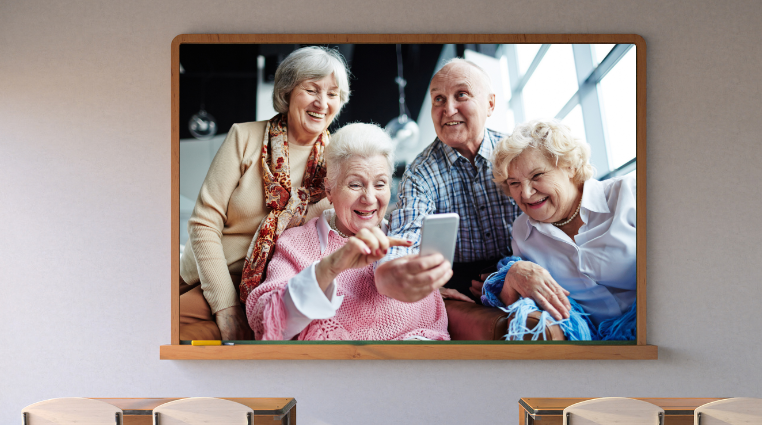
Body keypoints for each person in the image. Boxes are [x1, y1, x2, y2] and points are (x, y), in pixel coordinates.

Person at [178, 46, 350, 340]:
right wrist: (226, 305)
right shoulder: (244, 137)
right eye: (311, 90)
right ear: (287, 91)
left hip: (275, 286)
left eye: (332, 94)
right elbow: (204, 223)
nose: (322, 103)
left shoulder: (338, 160)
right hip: (210, 274)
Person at [245, 123, 450, 341]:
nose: (369, 198)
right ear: (329, 190)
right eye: (355, 185)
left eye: (380, 184)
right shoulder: (296, 243)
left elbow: (434, 329)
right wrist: (331, 266)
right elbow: (266, 323)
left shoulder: (406, 243)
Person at [376, 58, 521, 303]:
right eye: (438, 99)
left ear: (490, 104)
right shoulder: (419, 173)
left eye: (461, 95)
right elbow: (406, 238)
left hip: (522, 266)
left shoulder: (518, 153)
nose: (448, 109)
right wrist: (400, 274)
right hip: (459, 283)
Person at [485, 119, 637, 340]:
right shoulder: (521, 232)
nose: (526, 194)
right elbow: (514, 300)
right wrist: (512, 274)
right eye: (514, 183)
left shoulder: (629, 195)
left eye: (537, 176)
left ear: (570, 166)